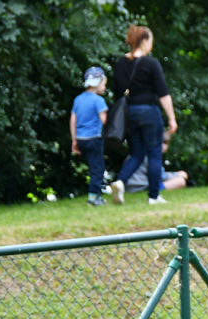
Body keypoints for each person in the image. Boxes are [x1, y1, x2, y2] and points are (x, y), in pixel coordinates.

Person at [109, 24, 177, 206]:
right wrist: (171, 117)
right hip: (148, 111)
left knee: (137, 153)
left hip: (130, 113)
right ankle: (154, 196)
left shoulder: (121, 63)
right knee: (154, 153)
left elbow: (117, 93)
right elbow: (163, 93)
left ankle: (120, 181)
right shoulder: (151, 63)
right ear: (145, 41)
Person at [70, 67, 108, 206]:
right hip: (94, 139)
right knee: (98, 168)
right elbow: (104, 120)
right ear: (98, 83)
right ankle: (93, 198)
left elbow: (73, 121)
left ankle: (95, 195)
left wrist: (74, 140)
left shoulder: (78, 99)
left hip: (81, 139)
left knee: (93, 167)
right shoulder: (98, 100)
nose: (104, 87)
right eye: (104, 84)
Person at [123, 131, 189, 196]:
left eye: (165, 143)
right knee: (180, 181)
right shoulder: (151, 155)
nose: (162, 145)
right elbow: (161, 176)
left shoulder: (139, 152)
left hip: (129, 187)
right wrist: (177, 174)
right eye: (160, 142)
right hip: (140, 188)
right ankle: (155, 191)